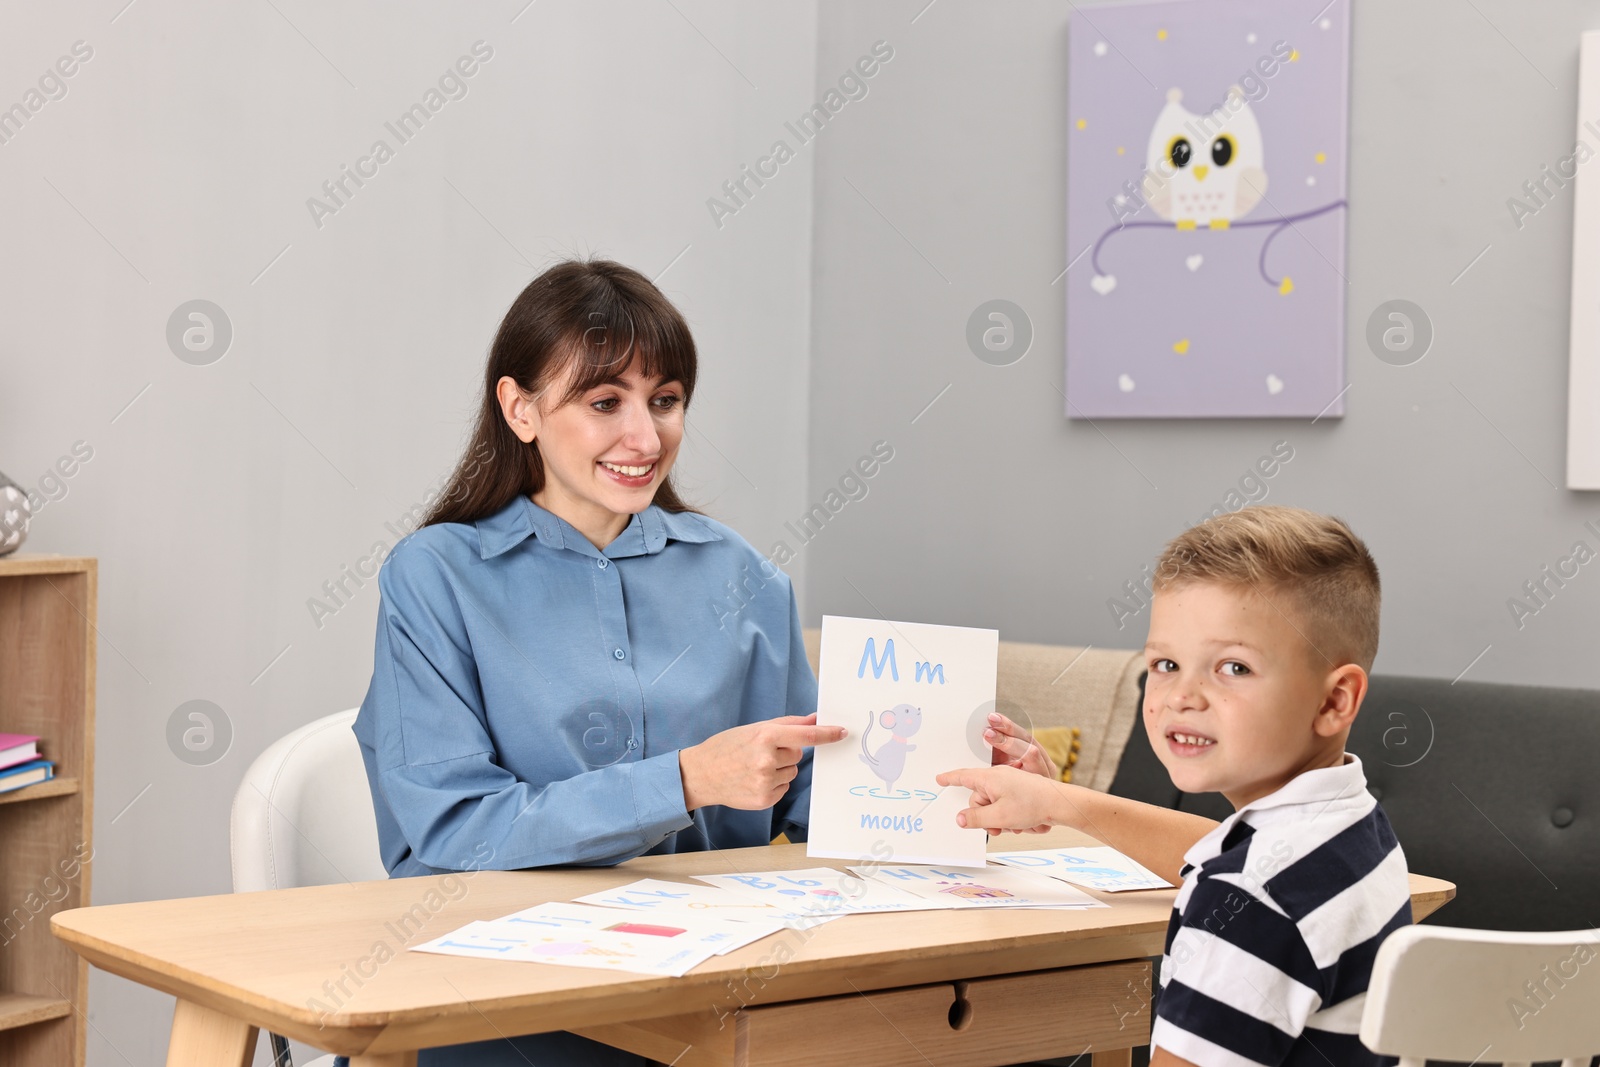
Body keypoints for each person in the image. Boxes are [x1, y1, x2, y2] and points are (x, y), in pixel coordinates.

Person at [347, 258, 1052, 1067]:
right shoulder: (436, 576)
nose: (646, 439)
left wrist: (966, 791)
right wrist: (683, 780)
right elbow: (449, 830)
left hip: (724, 993)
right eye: (605, 402)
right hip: (508, 1001)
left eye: (666, 400)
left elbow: (825, 796)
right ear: (521, 408)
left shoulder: (743, 576)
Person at [939, 506, 1412, 1066]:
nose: (1183, 696)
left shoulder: (1247, 901)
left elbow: (1234, 874)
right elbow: (1214, 849)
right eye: (1165, 664)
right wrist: (1056, 800)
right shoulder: (1348, 826)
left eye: (1233, 668)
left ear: (1334, 701)